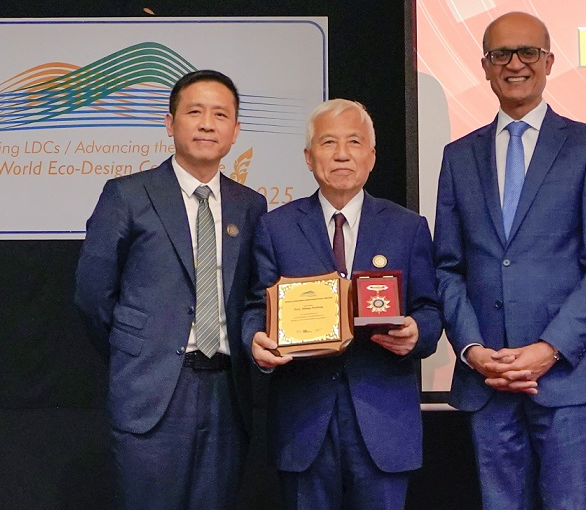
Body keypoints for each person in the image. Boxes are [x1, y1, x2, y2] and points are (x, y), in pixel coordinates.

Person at [434, 12, 586, 509]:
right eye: (501, 54)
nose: (514, 63)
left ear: (549, 62)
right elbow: (447, 268)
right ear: (484, 65)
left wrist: (549, 349)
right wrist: (472, 350)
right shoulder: (458, 156)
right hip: (488, 377)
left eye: (528, 52)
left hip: (567, 377)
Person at [74, 69, 267, 510]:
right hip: (153, 389)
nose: (207, 124)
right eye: (194, 112)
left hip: (226, 391)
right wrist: (136, 350)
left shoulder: (251, 205)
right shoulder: (126, 195)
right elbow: (92, 294)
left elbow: (255, 295)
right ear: (169, 122)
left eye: (220, 115)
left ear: (235, 131)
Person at [243, 99, 442, 510]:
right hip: (303, 422)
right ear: (308, 156)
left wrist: (418, 332)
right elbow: (254, 307)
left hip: (384, 421)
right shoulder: (276, 227)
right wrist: (255, 340)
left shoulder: (407, 227)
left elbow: (430, 308)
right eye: (328, 142)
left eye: (354, 142)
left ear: (372, 156)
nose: (341, 154)